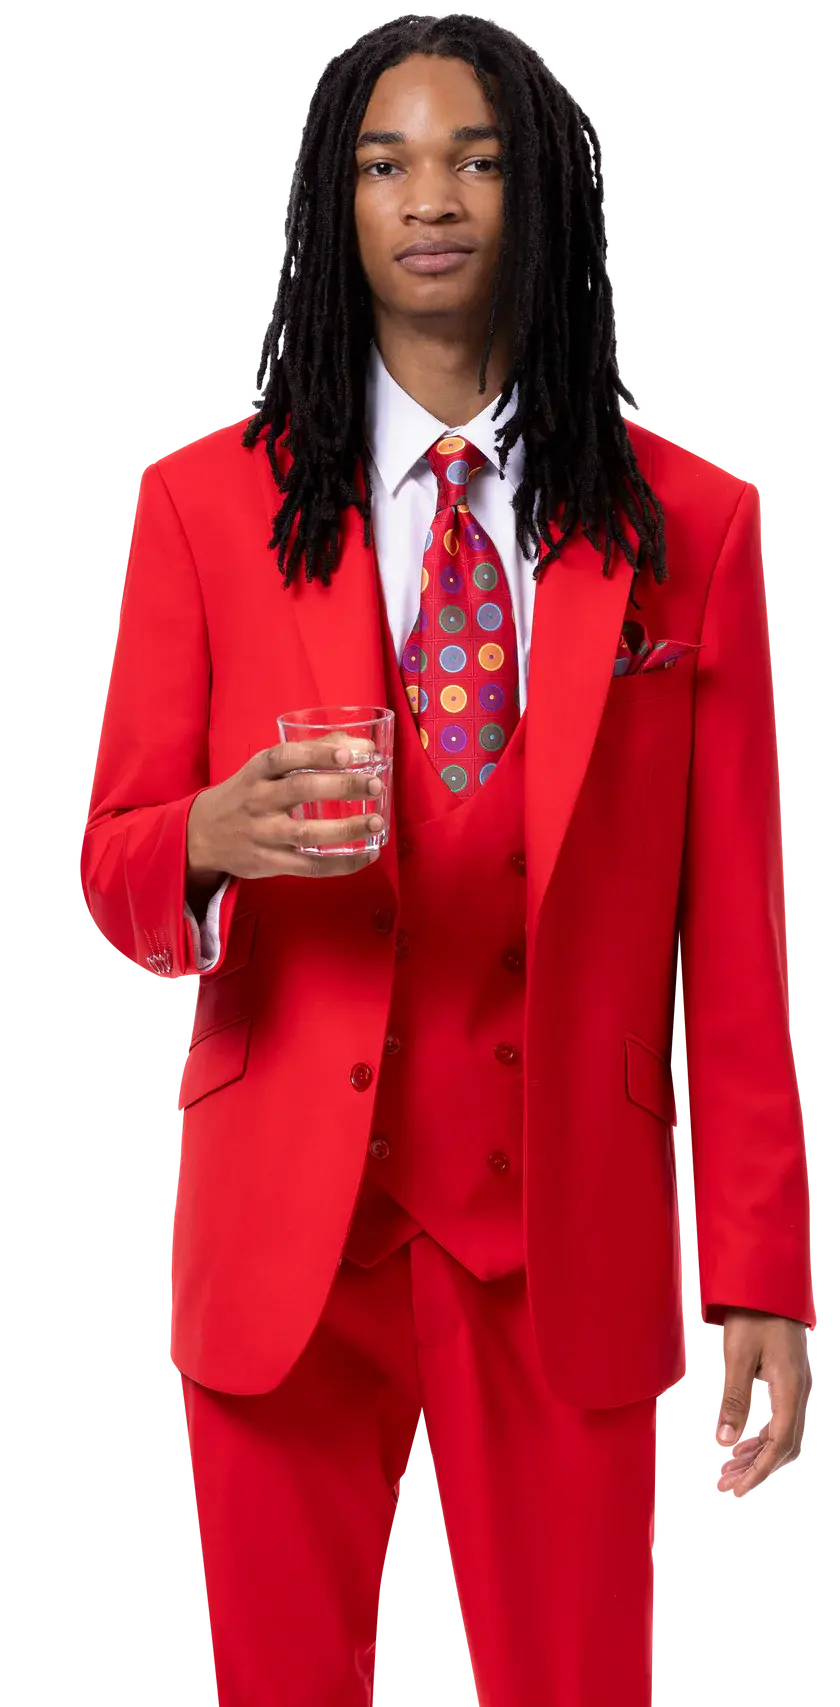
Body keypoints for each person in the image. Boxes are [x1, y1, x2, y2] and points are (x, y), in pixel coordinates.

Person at [79, 13, 816, 1705]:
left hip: (560, 1236)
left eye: (477, 161)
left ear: (539, 195)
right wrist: (204, 841)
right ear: (330, 208)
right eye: (385, 163)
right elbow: (113, 868)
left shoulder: (694, 528)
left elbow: (737, 944)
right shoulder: (201, 508)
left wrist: (764, 1277)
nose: (432, 200)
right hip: (286, 1238)